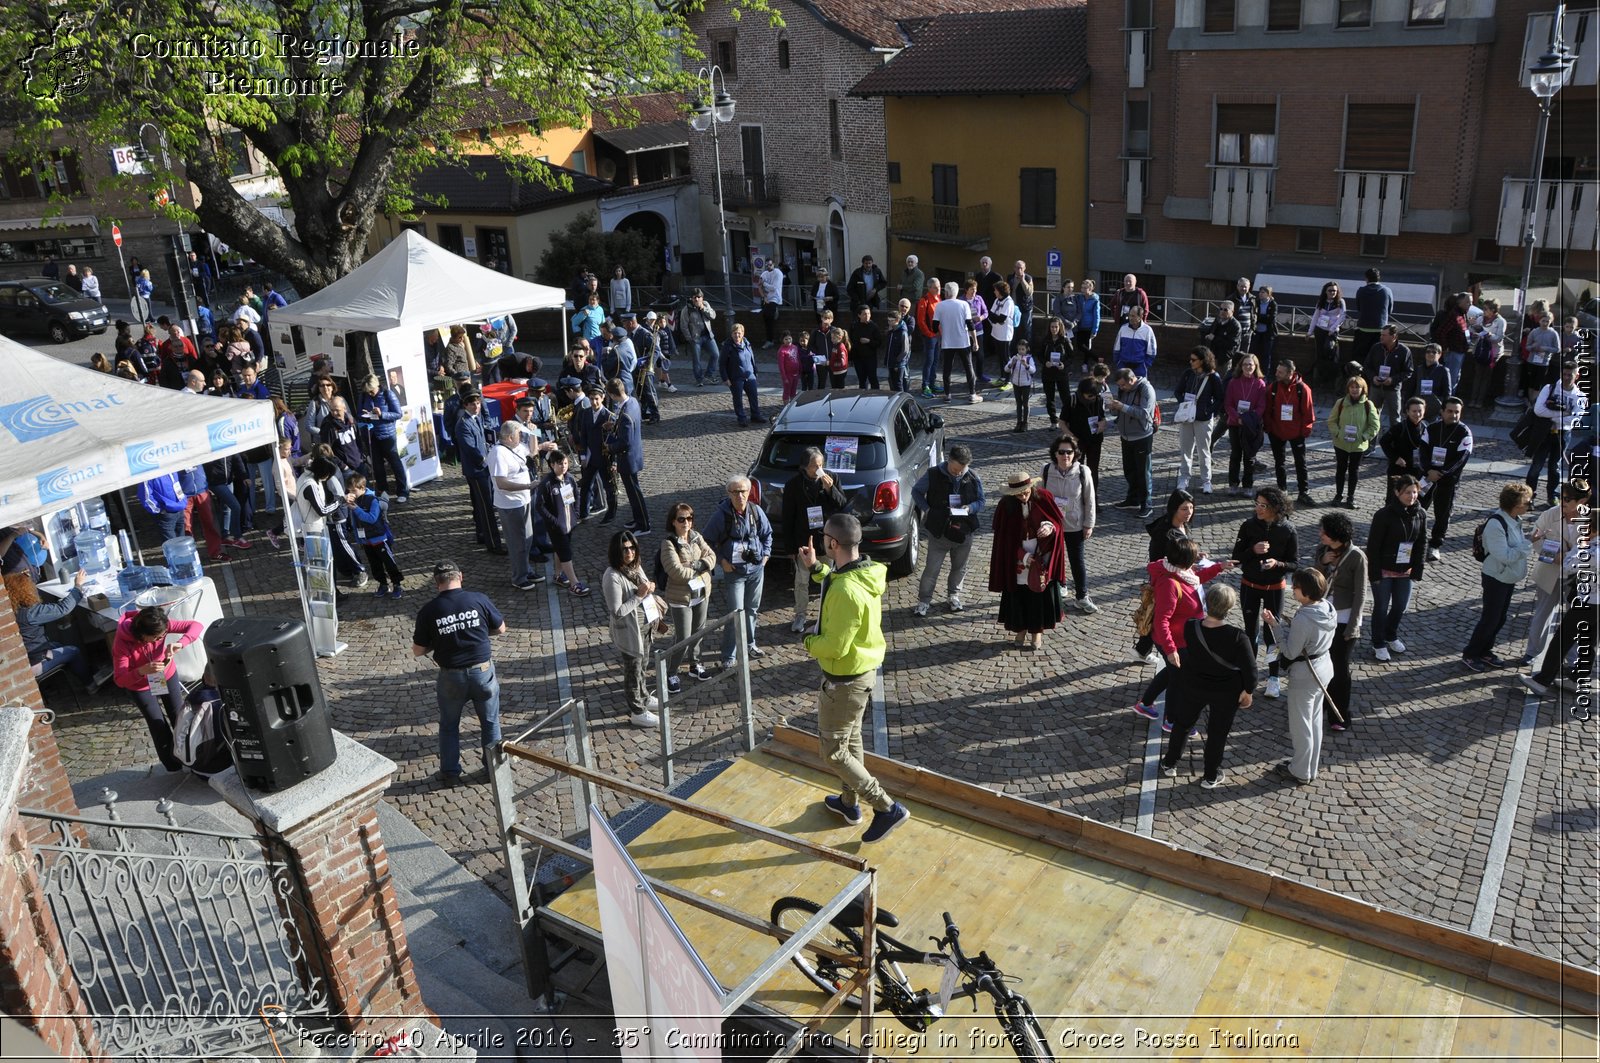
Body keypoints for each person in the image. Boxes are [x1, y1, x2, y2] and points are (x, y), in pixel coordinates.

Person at [797, 513, 906, 842]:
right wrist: (817, 568)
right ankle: (848, 803)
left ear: (832, 543)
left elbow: (836, 645)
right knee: (851, 739)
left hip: (844, 681)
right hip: (863, 673)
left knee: (833, 750)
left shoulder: (846, 590)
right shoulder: (864, 572)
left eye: (824, 538)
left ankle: (886, 807)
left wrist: (808, 641)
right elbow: (838, 579)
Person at [411, 561, 507, 784]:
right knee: (490, 722)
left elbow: (417, 651)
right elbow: (501, 628)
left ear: (436, 583)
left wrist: (439, 641)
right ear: (460, 576)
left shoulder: (428, 611)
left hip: (451, 676)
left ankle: (450, 773)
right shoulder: (479, 599)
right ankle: (492, 770)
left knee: (449, 725)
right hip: (483, 672)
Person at [1157, 584, 1255, 789]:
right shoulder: (1238, 637)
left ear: (1206, 603)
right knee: (1217, 733)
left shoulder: (1191, 627)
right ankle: (1211, 775)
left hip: (1194, 685)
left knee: (1183, 724)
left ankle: (1170, 762)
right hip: (1226, 692)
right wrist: (1248, 691)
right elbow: (1250, 671)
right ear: (1229, 609)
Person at [1133, 538, 1234, 725]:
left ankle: (1145, 703)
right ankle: (1171, 720)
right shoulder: (1169, 584)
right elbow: (1161, 620)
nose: (1197, 560)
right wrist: (1171, 651)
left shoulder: (1181, 572)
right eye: (1194, 557)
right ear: (1185, 560)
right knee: (1177, 680)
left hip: (1181, 638)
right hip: (1175, 641)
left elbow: (1197, 579)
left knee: (1173, 673)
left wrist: (1219, 567)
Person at [1262, 569, 1336, 785]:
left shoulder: (1304, 617)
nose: (1292, 589)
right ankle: (1309, 767)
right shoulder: (1327, 607)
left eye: (1295, 586)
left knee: (1301, 725)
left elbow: (1289, 652)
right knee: (1314, 722)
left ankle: (1301, 771)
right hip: (1323, 668)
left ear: (1306, 591)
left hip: (1305, 675)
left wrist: (1274, 626)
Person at [112, 605, 202, 772]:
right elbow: (120, 679)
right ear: (142, 635)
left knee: (179, 715)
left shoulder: (160, 625)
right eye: (156, 638)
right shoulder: (121, 643)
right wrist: (141, 671)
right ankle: (173, 765)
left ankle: (191, 756)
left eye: (162, 636)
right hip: (139, 685)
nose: (160, 639)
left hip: (166, 675)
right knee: (157, 723)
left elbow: (196, 626)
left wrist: (181, 644)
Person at [1231, 487, 1299, 699]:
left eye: (1263, 505)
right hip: (1249, 585)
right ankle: (1249, 675)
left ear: (1275, 508)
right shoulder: (1248, 526)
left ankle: (1272, 677)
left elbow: (1294, 564)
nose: (1258, 509)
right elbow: (1236, 558)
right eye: (1257, 504)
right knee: (1250, 633)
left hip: (1274, 588)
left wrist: (1277, 563)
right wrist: (1253, 550)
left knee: (1272, 635)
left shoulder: (1288, 530)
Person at [1521, 509, 1598, 697]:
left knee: (1561, 640)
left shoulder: (1591, 550)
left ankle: (1542, 680)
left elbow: (1567, 564)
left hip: (1587, 602)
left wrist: (1581, 545)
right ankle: (1577, 680)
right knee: (1589, 641)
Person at [987, 470, 1068, 650]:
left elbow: (1057, 522)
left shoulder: (1044, 497)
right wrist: (1022, 556)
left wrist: (1049, 527)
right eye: (1018, 494)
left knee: (1038, 594)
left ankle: (1036, 632)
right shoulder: (1005, 506)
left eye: (1025, 492)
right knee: (1019, 595)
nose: (1023, 496)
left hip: (1041, 555)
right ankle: (1020, 629)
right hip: (1017, 558)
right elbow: (1004, 539)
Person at [1460, 482, 1536, 672]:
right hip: (1496, 577)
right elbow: (1505, 556)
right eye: (1527, 502)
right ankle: (1471, 654)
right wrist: (1528, 543)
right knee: (1490, 619)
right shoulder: (1496, 524)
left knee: (1499, 618)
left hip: (1507, 577)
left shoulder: (1514, 519)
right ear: (1515, 504)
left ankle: (1485, 650)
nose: (1530, 505)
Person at [702, 476, 773, 668]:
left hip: (756, 570)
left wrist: (765, 556)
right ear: (729, 494)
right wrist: (721, 561)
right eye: (735, 492)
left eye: (742, 491)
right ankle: (728, 656)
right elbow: (705, 541)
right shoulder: (721, 515)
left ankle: (750, 644)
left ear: (749, 492)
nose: (739, 495)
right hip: (734, 573)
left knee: (751, 610)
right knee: (735, 612)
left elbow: (767, 535)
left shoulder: (756, 511)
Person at [911, 445, 984, 617]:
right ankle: (924, 601)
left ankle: (954, 596)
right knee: (932, 569)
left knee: (959, 567)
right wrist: (927, 509)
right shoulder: (933, 474)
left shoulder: (972, 477)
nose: (959, 473)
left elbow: (981, 500)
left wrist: (970, 507)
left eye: (962, 470)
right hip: (939, 531)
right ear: (949, 461)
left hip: (964, 531)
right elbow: (916, 491)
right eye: (955, 469)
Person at [601, 531, 664, 728]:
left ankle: (644, 696)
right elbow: (617, 611)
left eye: (632, 548)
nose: (629, 552)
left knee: (643, 665)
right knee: (633, 671)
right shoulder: (612, 576)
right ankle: (637, 710)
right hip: (629, 632)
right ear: (616, 551)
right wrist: (639, 595)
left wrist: (649, 588)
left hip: (645, 627)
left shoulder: (635, 567)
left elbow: (643, 590)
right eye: (624, 549)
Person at [1524, 481, 1589, 664]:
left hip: (1577, 576)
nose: (1562, 501)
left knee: (1576, 619)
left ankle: (1573, 659)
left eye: (1567, 499)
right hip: (1549, 571)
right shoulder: (1550, 514)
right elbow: (1535, 538)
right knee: (1543, 614)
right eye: (1562, 496)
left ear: (1582, 501)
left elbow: (1592, 548)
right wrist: (1552, 556)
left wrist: (1567, 558)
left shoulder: (1590, 520)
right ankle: (1532, 652)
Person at [784, 447, 848, 630]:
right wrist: (790, 548)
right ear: (805, 467)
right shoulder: (793, 485)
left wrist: (830, 490)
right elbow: (788, 516)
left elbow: (842, 505)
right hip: (804, 539)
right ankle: (800, 616)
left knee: (828, 579)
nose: (819, 468)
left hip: (827, 540)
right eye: (815, 466)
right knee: (802, 581)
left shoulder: (831, 478)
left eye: (821, 464)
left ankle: (827, 614)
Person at [1366, 475, 1428, 662]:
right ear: (1397, 493)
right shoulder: (1383, 515)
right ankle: (1378, 642)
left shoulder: (1421, 513)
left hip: (1405, 569)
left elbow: (1422, 542)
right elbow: (1374, 546)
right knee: (1381, 607)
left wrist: (1418, 567)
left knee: (1401, 605)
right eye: (1407, 492)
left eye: (1414, 492)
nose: (1412, 496)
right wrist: (1374, 573)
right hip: (1384, 569)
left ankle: (1390, 634)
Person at [1314, 512, 1367, 731]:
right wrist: (1322, 562)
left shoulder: (1357, 556)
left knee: (1339, 666)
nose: (1320, 535)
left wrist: (1354, 626)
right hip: (1323, 613)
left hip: (1344, 618)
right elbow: (1313, 581)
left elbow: (1360, 593)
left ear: (1335, 535)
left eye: (1324, 532)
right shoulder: (1322, 551)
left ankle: (1339, 714)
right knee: (1321, 662)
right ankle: (1322, 705)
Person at [659, 502, 718, 692]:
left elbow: (712, 556)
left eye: (689, 518)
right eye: (681, 519)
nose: (686, 523)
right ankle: (671, 672)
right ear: (673, 522)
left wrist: (695, 566)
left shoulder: (696, 537)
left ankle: (695, 664)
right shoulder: (668, 543)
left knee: (699, 631)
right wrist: (701, 568)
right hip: (680, 597)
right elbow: (676, 571)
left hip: (701, 592)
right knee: (683, 636)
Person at [6, 565, 93, 687]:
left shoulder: (12, 612)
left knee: (57, 645)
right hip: (35, 664)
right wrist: (78, 586)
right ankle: (90, 684)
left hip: (27, 658)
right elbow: (62, 609)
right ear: (25, 591)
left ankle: (71, 675)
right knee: (74, 651)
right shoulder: (30, 612)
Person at [1040, 433, 1097, 613]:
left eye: (1069, 452)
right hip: (1052, 525)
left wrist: (1089, 524)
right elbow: (1040, 499)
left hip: (1075, 524)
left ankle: (1082, 595)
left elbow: (1090, 500)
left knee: (1077, 561)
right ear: (1055, 454)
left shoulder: (1083, 472)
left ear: (1075, 454)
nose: (1066, 456)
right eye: (1062, 452)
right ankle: (1057, 589)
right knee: (1053, 560)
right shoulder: (1046, 471)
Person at [488, 421, 542, 591]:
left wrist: (534, 433)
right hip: (510, 504)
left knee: (527, 538)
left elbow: (533, 452)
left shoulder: (516, 446)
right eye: (519, 434)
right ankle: (519, 578)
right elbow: (502, 483)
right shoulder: (498, 453)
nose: (521, 437)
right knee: (516, 542)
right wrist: (527, 486)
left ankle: (526, 570)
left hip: (523, 499)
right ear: (510, 437)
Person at [1420, 397, 1473, 561]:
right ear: (1442, 412)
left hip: (1448, 481)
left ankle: (1435, 544)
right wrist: (1429, 470)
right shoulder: (1431, 429)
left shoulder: (1464, 433)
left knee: (1442, 514)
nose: (1454, 415)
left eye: (1457, 412)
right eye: (1450, 411)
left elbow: (1461, 459)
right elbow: (1422, 451)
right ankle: (1414, 537)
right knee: (1418, 507)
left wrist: (1441, 473)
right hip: (1427, 477)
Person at [1528, 361, 1587, 506]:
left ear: (1576, 376)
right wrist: (1564, 414)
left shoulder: (1580, 397)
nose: (1566, 377)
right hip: (1545, 433)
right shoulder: (1549, 388)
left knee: (1555, 467)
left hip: (1563, 435)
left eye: (1570, 375)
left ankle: (1552, 495)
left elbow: (1574, 420)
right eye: (1564, 374)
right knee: (1536, 465)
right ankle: (1529, 495)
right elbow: (1538, 411)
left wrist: (1552, 416)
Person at [533, 449, 590, 597]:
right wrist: (554, 521)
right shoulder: (546, 484)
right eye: (560, 464)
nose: (563, 466)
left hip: (569, 524)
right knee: (565, 553)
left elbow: (575, 497)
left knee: (560, 550)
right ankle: (574, 583)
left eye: (565, 463)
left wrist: (576, 514)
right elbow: (539, 506)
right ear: (552, 465)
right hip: (557, 527)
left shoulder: (569, 479)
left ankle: (558, 575)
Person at [454, 390, 505, 554]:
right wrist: (487, 461)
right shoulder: (463, 424)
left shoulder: (477, 418)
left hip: (483, 468)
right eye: (473, 404)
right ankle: (494, 544)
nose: (476, 406)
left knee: (482, 505)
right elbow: (471, 449)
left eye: (478, 403)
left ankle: (482, 534)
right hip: (477, 471)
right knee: (486, 507)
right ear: (466, 405)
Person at [603, 378, 652, 534]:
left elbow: (625, 442)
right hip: (633, 456)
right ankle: (638, 519)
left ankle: (644, 524)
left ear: (611, 394)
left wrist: (609, 447)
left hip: (628, 459)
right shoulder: (632, 402)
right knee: (633, 492)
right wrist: (615, 425)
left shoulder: (626, 414)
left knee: (634, 493)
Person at [1265, 359, 1315, 507]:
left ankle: (1303, 492)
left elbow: (1308, 412)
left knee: (1301, 463)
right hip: (1276, 430)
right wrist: (1268, 428)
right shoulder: (1272, 387)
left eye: (1280, 372)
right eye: (1276, 371)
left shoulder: (1303, 389)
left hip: (1296, 432)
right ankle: (1282, 490)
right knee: (1279, 462)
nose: (1276, 374)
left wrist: (1306, 430)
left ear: (1290, 373)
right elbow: (1267, 410)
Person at [1108, 367, 1157, 517]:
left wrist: (1122, 407)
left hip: (1142, 436)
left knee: (1143, 472)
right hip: (1126, 436)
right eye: (1119, 386)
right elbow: (1119, 411)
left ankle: (1146, 503)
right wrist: (1112, 407)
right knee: (1129, 469)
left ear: (1132, 379)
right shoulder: (1124, 389)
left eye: (1123, 385)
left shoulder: (1146, 389)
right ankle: (1133, 499)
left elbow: (1144, 413)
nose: (1121, 388)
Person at [347, 472, 405, 598]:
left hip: (379, 538)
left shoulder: (372, 500)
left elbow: (372, 518)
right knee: (374, 564)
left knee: (389, 562)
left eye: (353, 490)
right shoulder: (355, 499)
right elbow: (355, 521)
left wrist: (356, 509)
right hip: (367, 540)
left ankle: (397, 584)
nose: (351, 493)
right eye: (349, 490)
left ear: (362, 488)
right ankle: (383, 584)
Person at [1174, 347, 1223, 493]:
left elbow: (1220, 397)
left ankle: (1206, 480)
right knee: (1185, 450)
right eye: (1190, 359)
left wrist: (1209, 411)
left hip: (1203, 418)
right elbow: (1178, 391)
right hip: (1186, 418)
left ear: (1203, 361)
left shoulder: (1213, 377)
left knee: (1204, 451)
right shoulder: (1188, 374)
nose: (1191, 362)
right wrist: (1184, 404)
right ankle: (1184, 478)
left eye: (1194, 360)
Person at [1327, 375, 1381, 509]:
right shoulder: (1340, 403)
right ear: (1348, 388)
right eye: (1352, 387)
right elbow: (1331, 421)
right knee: (1340, 469)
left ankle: (1351, 497)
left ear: (1363, 389)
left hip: (1358, 445)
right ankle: (1338, 495)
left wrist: (1364, 436)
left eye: (1358, 387)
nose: (1354, 389)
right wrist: (1338, 433)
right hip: (1341, 444)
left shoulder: (1368, 405)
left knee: (1354, 470)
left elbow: (1375, 425)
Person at [357, 373, 410, 503]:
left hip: (387, 435)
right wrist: (364, 415)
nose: (370, 393)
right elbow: (359, 413)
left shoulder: (388, 394)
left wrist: (382, 414)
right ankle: (383, 491)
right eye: (367, 392)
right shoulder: (363, 396)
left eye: (372, 391)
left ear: (377, 386)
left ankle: (403, 491)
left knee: (395, 463)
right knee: (377, 465)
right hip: (371, 434)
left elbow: (398, 414)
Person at [1223, 353, 1267, 496]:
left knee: (1249, 456)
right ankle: (1233, 484)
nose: (1248, 367)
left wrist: (1248, 420)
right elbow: (1228, 404)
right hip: (1235, 424)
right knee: (1235, 454)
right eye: (1245, 364)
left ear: (1255, 367)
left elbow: (1261, 407)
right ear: (1241, 366)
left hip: (1251, 426)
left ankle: (1248, 485)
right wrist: (1238, 418)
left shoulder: (1260, 384)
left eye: (1251, 364)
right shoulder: (1233, 382)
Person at [933, 280, 979, 403]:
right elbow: (970, 325)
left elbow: (934, 326)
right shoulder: (964, 305)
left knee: (947, 369)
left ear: (946, 292)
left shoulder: (940, 305)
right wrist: (975, 341)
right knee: (968, 367)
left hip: (947, 342)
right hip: (963, 341)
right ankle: (972, 394)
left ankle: (948, 395)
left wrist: (944, 330)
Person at [1363, 324, 1412, 429]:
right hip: (1376, 388)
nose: (1381, 337)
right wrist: (1373, 377)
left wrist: (1393, 379)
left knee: (1395, 418)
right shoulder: (1376, 347)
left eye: (1384, 335)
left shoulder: (1404, 351)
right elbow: (1367, 366)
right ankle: (1370, 444)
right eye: (1381, 334)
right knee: (1372, 416)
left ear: (1394, 337)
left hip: (1393, 389)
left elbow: (1408, 372)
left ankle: (1395, 443)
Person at [1066, 377, 1107, 492]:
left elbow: (1102, 417)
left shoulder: (1098, 399)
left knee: (1093, 469)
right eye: (1090, 396)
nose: (1092, 398)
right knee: (1076, 469)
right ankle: (1077, 495)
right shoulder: (1072, 400)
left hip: (1095, 440)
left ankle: (1093, 498)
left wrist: (1102, 424)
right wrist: (1071, 436)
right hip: (1078, 441)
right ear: (1082, 393)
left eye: (1094, 395)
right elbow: (1062, 422)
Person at [1429, 292, 1471, 394]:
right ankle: (1447, 402)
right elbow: (1441, 332)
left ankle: (1450, 400)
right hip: (1454, 351)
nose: (1470, 304)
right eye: (1468, 302)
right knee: (1450, 379)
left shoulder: (1462, 314)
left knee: (1455, 377)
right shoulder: (1454, 315)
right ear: (1459, 303)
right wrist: (1445, 347)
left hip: (1460, 350)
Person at [1309, 282, 1346, 390]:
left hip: (1331, 332)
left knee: (1330, 352)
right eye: (1330, 290)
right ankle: (1320, 380)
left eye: (1334, 290)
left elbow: (1343, 316)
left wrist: (1333, 328)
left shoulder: (1340, 302)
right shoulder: (1321, 301)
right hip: (1320, 330)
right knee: (1320, 354)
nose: (1332, 293)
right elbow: (1315, 316)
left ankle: (1331, 380)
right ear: (1325, 291)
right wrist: (1310, 331)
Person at [680, 289, 720, 386]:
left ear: (702, 298)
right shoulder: (686, 310)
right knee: (696, 359)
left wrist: (703, 308)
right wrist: (690, 338)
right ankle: (699, 379)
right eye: (695, 297)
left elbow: (713, 316)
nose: (697, 299)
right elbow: (683, 326)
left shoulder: (706, 304)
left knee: (716, 354)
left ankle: (708, 375)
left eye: (699, 297)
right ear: (691, 298)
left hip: (707, 336)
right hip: (695, 338)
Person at [1401, 342, 1451, 421]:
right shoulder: (1419, 369)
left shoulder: (1443, 371)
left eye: (1434, 352)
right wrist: (1406, 406)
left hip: (1434, 409)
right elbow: (1410, 389)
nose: (1430, 354)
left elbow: (1447, 393)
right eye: (1428, 351)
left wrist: (1444, 409)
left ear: (1439, 355)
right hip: (1417, 407)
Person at [1039, 317, 1073, 430]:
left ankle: (1067, 419)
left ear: (1060, 327)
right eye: (1052, 327)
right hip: (1048, 373)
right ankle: (1053, 420)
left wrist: (1064, 365)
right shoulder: (1045, 340)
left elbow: (1071, 356)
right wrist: (1045, 363)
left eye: (1056, 327)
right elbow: (1039, 355)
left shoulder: (1065, 340)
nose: (1054, 329)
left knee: (1066, 398)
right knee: (1050, 398)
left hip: (1061, 373)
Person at [1353, 269, 1392, 358]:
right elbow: (1389, 310)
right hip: (1380, 329)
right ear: (1379, 278)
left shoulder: (1361, 290)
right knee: (1378, 357)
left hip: (1363, 329)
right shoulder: (1387, 290)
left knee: (1361, 357)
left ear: (1366, 279)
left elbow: (1358, 308)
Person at [1112, 305, 1157, 377]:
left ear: (1140, 317)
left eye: (1133, 316)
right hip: (1123, 366)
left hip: (1140, 368)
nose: (1130, 318)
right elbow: (1116, 347)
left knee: (1139, 388)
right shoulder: (1123, 328)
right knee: (1123, 388)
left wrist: (1145, 365)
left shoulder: (1147, 330)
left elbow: (1152, 351)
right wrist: (1118, 363)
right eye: (1129, 315)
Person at [985, 281, 1016, 388]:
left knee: (1006, 357)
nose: (994, 292)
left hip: (1005, 334)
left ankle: (1009, 381)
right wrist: (995, 319)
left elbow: (1002, 318)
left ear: (1000, 291)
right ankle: (1002, 377)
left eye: (996, 290)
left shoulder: (1008, 302)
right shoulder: (997, 300)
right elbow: (990, 314)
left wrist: (995, 318)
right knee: (1000, 357)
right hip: (996, 332)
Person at [1198, 303, 1241, 377]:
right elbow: (1211, 331)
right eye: (1220, 309)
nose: (1222, 311)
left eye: (1225, 310)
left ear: (1232, 311)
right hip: (1213, 356)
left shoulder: (1235, 326)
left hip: (1223, 359)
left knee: (1221, 380)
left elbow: (1231, 344)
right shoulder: (1218, 319)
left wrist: (1214, 338)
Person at [1003, 339, 1037, 432]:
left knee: (1025, 403)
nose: (1021, 351)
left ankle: (1025, 423)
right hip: (1016, 384)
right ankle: (1018, 422)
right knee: (1018, 404)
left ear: (1026, 350)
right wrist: (1011, 364)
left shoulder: (1029, 358)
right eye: (1019, 349)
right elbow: (1006, 369)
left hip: (1026, 384)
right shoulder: (1014, 357)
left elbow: (1033, 370)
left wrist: (1026, 365)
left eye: (1023, 349)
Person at [916, 277, 942, 395]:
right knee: (929, 361)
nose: (938, 289)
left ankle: (932, 382)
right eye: (936, 287)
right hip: (930, 336)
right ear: (929, 288)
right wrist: (929, 334)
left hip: (938, 335)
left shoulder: (939, 298)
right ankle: (925, 385)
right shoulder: (924, 300)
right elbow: (921, 321)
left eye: (939, 286)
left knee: (935, 360)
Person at [847, 305, 883, 389]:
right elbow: (850, 342)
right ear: (859, 315)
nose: (867, 316)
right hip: (858, 358)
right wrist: (850, 358)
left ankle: (876, 396)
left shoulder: (874, 326)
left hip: (870, 357)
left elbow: (879, 343)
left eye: (868, 314)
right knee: (861, 380)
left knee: (873, 378)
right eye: (864, 314)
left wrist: (869, 341)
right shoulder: (854, 326)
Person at [1072, 279, 1101, 367]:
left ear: (1090, 289)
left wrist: (1095, 330)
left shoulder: (1094, 300)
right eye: (1082, 287)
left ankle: (1085, 364)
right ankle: (1097, 358)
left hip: (1089, 326)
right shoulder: (1079, 297)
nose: (1082, 289)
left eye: (1085, 288)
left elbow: (1097, 316)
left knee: (1087, 346)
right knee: (1080, 345)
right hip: (1080, 325)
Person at [778, 331, 801, 402]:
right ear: (782, 340)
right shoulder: (781, 351)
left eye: (789, 338)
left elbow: (798, 359)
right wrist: (784, 377)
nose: (788, 341)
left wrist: (800, 371)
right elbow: (781, 366)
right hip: (788, 375)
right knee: (787, 391)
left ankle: (792, 407)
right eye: (786, 339)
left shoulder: (795, 347)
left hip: (796, 374)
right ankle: (785, 407)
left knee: (793, 391)